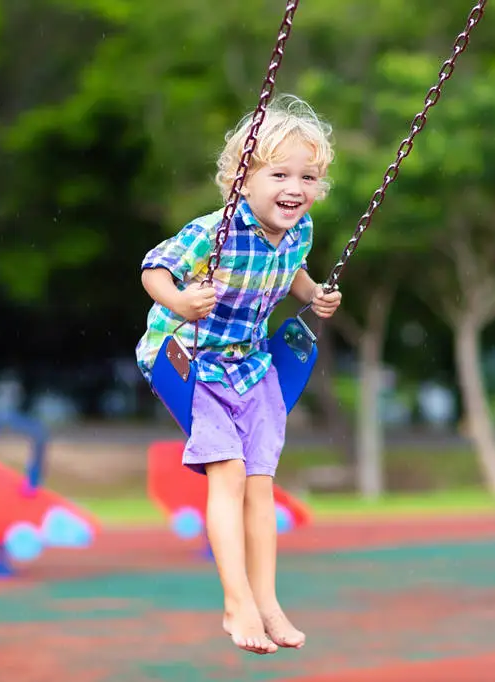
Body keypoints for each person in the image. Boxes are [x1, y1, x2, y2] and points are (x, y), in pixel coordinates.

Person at [136, 94, 343, 655]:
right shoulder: (215, 230)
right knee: (226, 470)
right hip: (185, 354)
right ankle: (236, 602)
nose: (294, 188)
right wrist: (181, 302)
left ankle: (268, 601)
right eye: (279, 173)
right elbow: (154, 270)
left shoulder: (300, 233)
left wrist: (313, 294)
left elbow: (291, 270)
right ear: (242, 179)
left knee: (260, 480)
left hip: (248, 364)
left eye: (307, 176)